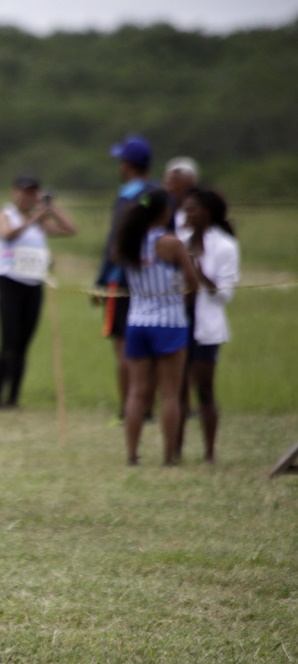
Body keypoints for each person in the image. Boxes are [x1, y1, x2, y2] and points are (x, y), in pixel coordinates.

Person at [115, 188, 198, 466]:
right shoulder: (171, 244)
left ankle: (131, 454)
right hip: (170, 323)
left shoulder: (127, 242)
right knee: (171, 393)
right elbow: (192, 282)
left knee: (137, 392)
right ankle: (169, 456)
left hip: (137, 322)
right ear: (165, 212)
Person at [0, 174, 76, 409]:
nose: (28, 196)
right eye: (24, 191)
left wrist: (51, 209)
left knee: (23, 343)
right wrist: (34, 218)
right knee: (8, 340)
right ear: (14, 191)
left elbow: (70, 229)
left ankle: (13, 398)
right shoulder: (6, 214)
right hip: (10, 282)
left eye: (32, 192)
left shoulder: (39, 222)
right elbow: (7, 233)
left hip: (33, 284)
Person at [95, 135, 159, 423]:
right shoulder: (159, 196)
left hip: (121, 280)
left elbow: (115, 243)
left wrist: (100, 280)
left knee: (123, 348)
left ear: (128, 165)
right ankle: (147, 408)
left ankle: (129, 408)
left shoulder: (126, 196)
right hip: (154, 281)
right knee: (154, 350)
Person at [176, 188, 239, 464]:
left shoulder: (225, 246)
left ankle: (209, 452)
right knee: (177, 388)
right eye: (185, 209)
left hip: (206, 325)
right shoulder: (178, 241)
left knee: (204, 389)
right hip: (178, 322)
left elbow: (225, 293)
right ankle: (174, 449)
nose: (186, 214)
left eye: (192, 209)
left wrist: (198, 275)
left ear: (207, 213)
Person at [163, 157, 199, 239]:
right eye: (167, 183)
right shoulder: (161, 214)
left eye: (175, 184)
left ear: (190, 187)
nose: (169, 189)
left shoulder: (196, 218)